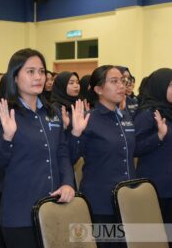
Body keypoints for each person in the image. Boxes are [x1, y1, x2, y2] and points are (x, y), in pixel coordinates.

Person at [0, 48, 75, 248]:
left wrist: (68, 183)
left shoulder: (51, 113)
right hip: (20, 215)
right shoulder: (5, 113)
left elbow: (62, 154)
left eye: (42, 71)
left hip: (53, 208)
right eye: (30, 71)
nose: (38, 77)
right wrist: (7, 137)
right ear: (15, 77)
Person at [69, 65, 136, 248]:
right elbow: (70, 158)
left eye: (122, 81)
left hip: (127, 200)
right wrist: (75, 133)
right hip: (101, 202)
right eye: (114, 82)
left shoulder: (125, 117)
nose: (121, 86)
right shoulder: (89, 119)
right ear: (98, 89)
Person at [134, 68, 172, 227]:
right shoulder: (148, 114)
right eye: (170, 85)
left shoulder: (169, 112)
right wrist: (158, 137)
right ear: (160, 87)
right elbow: (134, 147)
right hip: (156, 188)